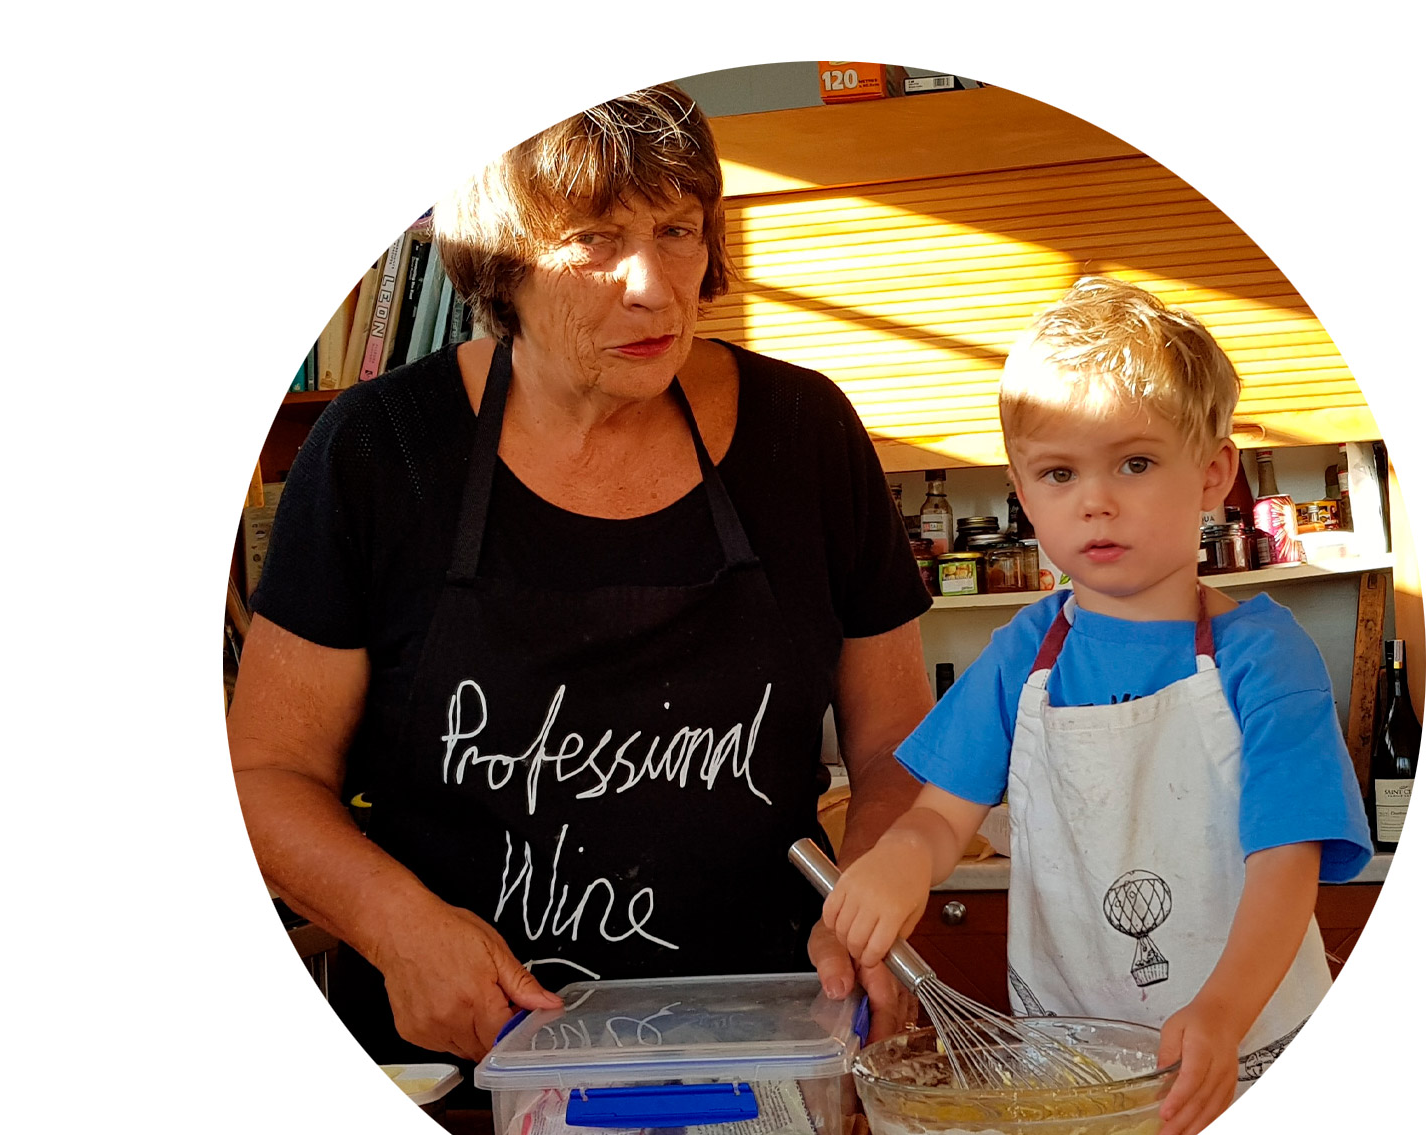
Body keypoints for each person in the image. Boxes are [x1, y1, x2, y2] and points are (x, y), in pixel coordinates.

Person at [228, 85, 932, 1081]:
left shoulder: (803, 434)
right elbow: (266, 776)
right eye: (594, 240)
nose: (653, 285)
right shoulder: (380, 453)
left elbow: (897, 748)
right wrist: (395, 927)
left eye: (678, 229)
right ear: (500, 261)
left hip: (768, 1050)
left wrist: (872, 901)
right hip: (467, 1068)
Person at [820, 277, 1372, 1135]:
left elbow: (1285, 864)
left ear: (1214, 474)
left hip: (1252, 1046)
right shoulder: (1022, 656)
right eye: (1059, 473)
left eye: (1137, 463)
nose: (1096, 500)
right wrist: (899, 862)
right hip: (1072, 1069)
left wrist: (1223, 1013)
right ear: (1024, 493)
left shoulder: (1265, 656)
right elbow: (937, 817)